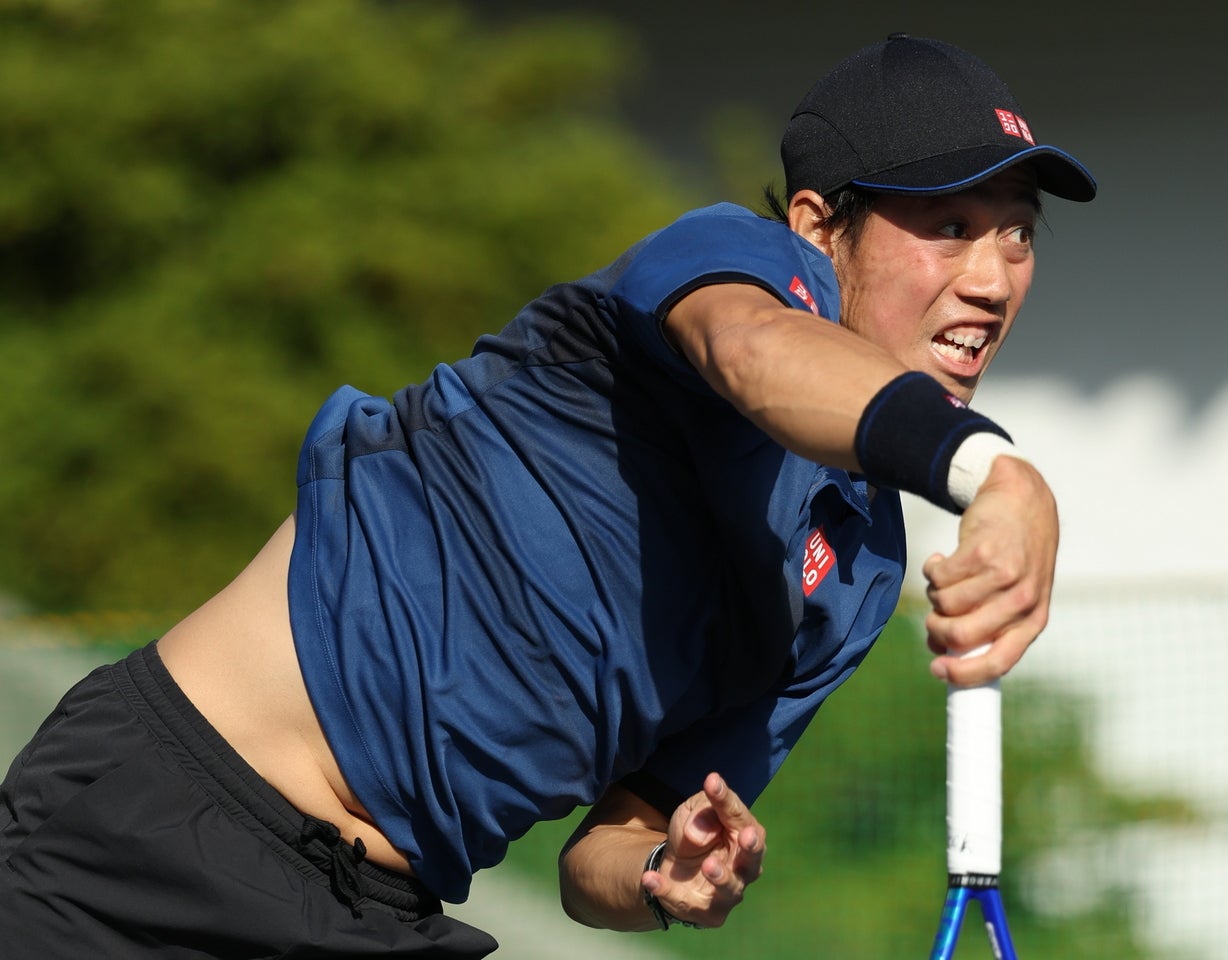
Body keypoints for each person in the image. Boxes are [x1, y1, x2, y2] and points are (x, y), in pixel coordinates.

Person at [0, 33, 1094, 957]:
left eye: (1018, 234)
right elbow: (761, 356)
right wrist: (995, 473)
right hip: (153, 821)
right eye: (949, 225)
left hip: (385, 911)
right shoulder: (732, 268)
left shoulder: (859, 574)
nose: (993, 278)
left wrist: (669, 870)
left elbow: (603, 852)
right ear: (816, 226)